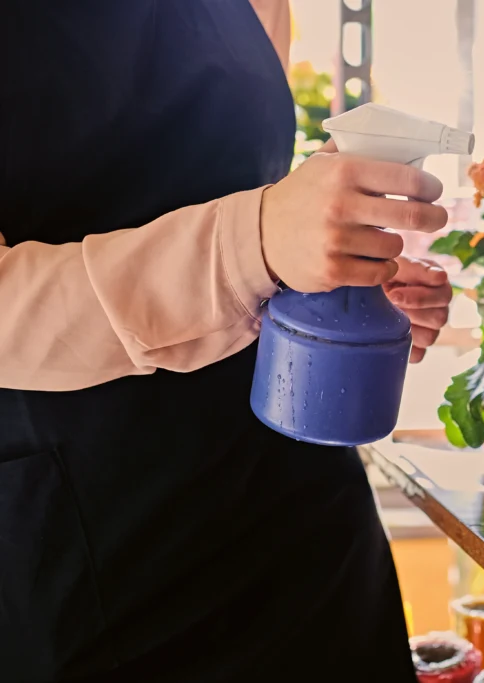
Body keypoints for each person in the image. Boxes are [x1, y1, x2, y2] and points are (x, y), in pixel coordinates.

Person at [1, 2, 453, 680]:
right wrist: (256, 243)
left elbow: (239, 209)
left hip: (299, 510)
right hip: (98, 551)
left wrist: (328, 286)